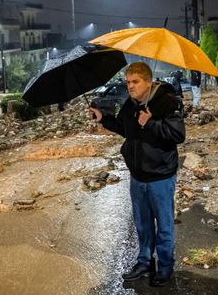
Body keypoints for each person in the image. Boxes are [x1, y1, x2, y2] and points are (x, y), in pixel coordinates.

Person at [90, 62, 185, 287]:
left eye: (135, 82)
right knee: (142, 224)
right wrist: (103, 118)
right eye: (128, 82)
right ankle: (144, 262)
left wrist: (150, 123)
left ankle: (165, 267)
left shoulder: (167, 102)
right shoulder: (131, 105)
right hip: (138, 175)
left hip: (161, 175)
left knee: (164, 224)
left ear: (148, 82)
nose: (130, 87)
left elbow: (177, 134)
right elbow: (126, 129)